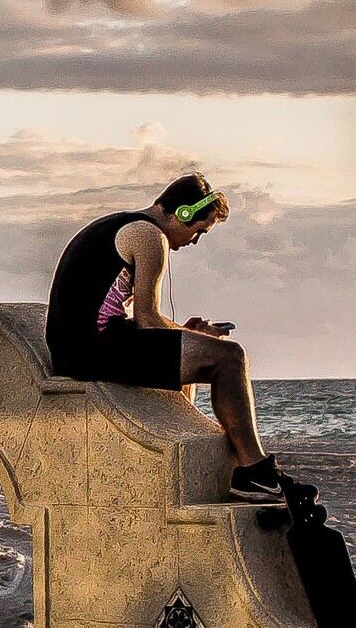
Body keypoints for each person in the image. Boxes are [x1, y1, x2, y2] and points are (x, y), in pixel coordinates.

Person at [42, 171, 285, 498]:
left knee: (203, 351)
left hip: (77, 347)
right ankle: (255, 471)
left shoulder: (118, 224)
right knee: (230, 358)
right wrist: (204, 343)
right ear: (184, 213)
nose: (194, 242)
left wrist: (185, 335)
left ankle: (198, 446)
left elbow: (117, 314)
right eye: (198, 231)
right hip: (93, 350)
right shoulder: (149, 237)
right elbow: (147, 319)